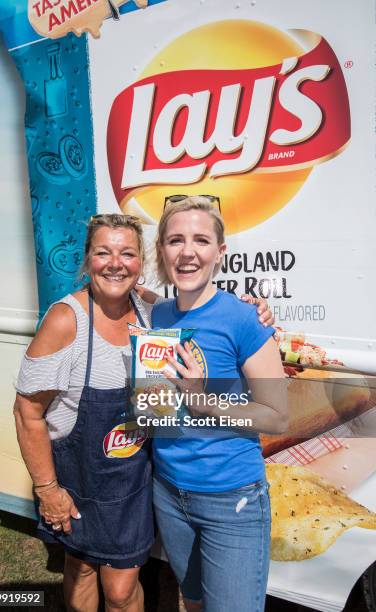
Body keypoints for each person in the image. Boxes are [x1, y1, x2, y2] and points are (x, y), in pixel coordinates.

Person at [13, 212, 274, 612]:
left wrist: (256, 312)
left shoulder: (153, 311)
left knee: (120, 590)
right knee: (81, 569)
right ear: (87, 260)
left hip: (135, 479)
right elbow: (27, 411)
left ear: (141, 263)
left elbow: (214, 318)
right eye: (103, 252)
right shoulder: (66, 320)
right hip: (80, 477)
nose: (115, 263)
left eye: (127, 253)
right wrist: (47, 490)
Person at [150, 196, 287, 612]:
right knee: (192, 602)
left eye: (200, 240)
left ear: (219, 252)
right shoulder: (155, 315)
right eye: (175, 240)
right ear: (162, 251)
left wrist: (202, 401)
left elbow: (278, 416)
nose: (187, 251)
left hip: (232, 500)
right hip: (169, 492)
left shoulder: (244, 319)